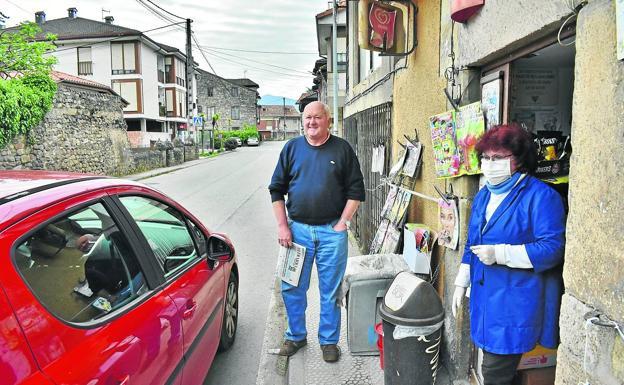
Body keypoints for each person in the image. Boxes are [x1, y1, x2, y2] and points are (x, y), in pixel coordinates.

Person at [451, 124, 565, 385]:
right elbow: (472, 243)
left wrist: (501, 254)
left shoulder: (541, 197)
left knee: (494, 373)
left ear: (519, 160)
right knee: (499, 371)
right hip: (485, 298)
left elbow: (552, 249)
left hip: (515, 302)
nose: (491, 165)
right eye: (486, 158)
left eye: (499, 158)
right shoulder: (483, 196)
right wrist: (461, 281)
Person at [268, 101, 365, 363]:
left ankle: (329, 341)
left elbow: (356, 190)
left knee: (330, 290)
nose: (312, 122)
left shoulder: (342, 149)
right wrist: (282, 226)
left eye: (317, 117)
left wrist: (343, 222)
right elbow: (276, 189)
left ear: (328, 121)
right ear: (303, 121)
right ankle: (296, 335)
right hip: (296, 232)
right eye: (307, 117)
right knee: (291, 287)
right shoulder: (292, 148)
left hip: (331, 233)